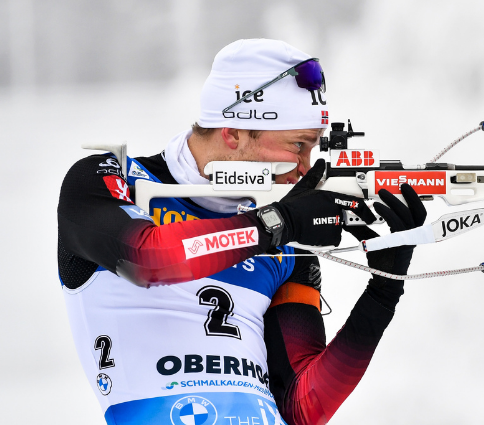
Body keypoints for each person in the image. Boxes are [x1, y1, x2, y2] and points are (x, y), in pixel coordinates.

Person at [57, 39, 426, 425]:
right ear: (233, 133)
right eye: (297, 146)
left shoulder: (284, 241)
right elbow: (145, 259)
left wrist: (383, 294)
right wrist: (278, 223)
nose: (305, 169)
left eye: (312, 150)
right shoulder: (113, 179)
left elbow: (301, 407)